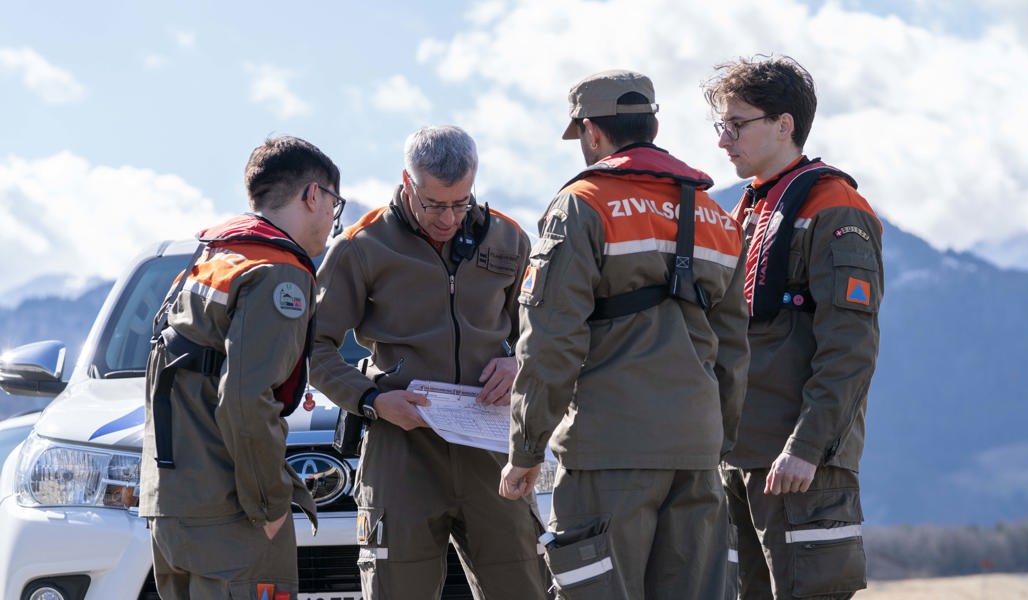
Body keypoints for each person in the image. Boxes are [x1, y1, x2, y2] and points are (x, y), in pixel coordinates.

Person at [499, 69, 750, 600]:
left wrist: (526, 447)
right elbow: (733, 350)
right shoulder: (714, 214)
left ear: (592, 132)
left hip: (607, 450)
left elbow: (551, 340)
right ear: (652, 125)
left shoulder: (583, 204)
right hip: (697, 451)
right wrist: (716, 441)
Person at [308, 125, 546, 600]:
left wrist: (520, 363)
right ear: (406, 181)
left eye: (460, 203)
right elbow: (313, 347)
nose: (448, 219)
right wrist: (372, 400)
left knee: (525, 586)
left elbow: (543, 334)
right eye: (435, 204)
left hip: (492, 448)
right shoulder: (361, 245)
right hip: (402, 448)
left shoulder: (509, 238)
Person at [702, 55, 884, 600]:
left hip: (801, 466)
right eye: (721, 126)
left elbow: (850, 349)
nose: (723, 140)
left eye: (737, 125)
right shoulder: (746, 210)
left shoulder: (838, 211)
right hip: (738, 458)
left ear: (784, 125)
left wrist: (807, 446)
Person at [139, 135, 345, 600]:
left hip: (173, 506)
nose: (333, 217)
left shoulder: (213, 256)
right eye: (334, 202)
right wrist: (270, 503)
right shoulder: (277, 271)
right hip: (231, 513)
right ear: (314, 195)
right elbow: (245, 398)